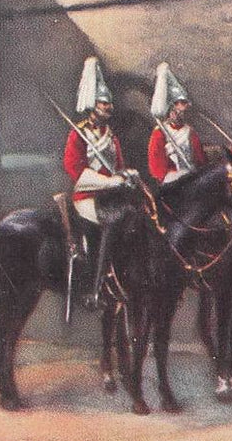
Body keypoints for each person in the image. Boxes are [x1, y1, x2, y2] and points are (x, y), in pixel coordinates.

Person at [60, 55, 135, 309]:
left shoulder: (110, 136)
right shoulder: (78, 134)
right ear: (93, 106)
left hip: (110, 196)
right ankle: (95, 288)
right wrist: (110, 182)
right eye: (104, 104)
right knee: (111, 222)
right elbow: (75, 170)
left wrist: (126, 176)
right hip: (87, 197)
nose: (109, 108)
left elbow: (119, 166)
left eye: (109, 104)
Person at [147, 62, 207, 184]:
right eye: (178, 105)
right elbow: (156, 167)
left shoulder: (189, 131)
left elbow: (200, 159)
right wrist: (174, 176)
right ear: (170, 109)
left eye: (184, 104)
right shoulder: (160, 132)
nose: (181, 110)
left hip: (192, 177)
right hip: (172, 182)